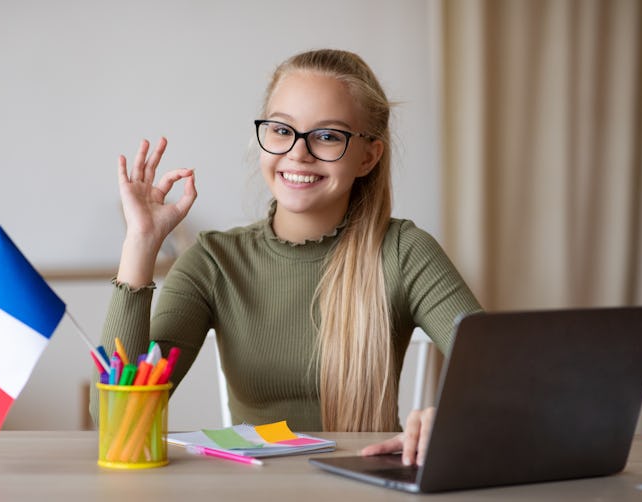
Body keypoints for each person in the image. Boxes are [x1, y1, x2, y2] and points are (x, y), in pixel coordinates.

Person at [91, 49, 482, 467]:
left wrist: (453, 416)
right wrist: (141, 242)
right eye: (281, 130)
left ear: (367, 157)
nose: (298, 153)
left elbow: (504, 379)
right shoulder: (214, 260)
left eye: (328, 136)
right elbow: (116, 420)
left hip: (369, 487)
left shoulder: (404, 251)